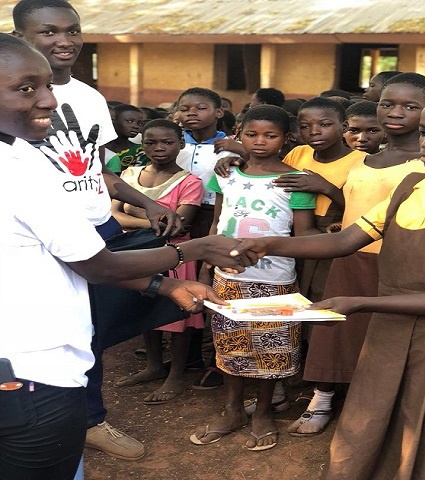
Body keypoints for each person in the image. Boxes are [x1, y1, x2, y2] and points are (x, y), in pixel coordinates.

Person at [0, 32, 256, 480]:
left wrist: (165, 284)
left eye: (46, 86)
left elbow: (46, 257)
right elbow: (95, 263)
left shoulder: (22, 157)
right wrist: (192, 250)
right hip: (32, 371)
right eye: (26, 89)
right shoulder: (19, 171)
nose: (49, 101)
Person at [232, 86, 425, 479]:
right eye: (424, 133)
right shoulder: (413, 186)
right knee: (369, 421)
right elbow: (346, 239)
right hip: (390, 330)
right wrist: (268, 243)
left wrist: (364, 303)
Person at [12, 0, 183, 461]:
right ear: (20, 38)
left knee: (91, 327)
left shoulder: (88, 97)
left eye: (72, 30)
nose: (63, 41)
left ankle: (80, 414)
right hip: (44, 232)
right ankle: (83, 420)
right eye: (48, 33)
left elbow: (94, 167)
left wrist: (147, 203)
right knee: (60, 328)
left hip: (99, 225)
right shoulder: (14, 106)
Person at [287, 72, 425, 437]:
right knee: (335, 330)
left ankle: (375, 409)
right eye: (387, 103)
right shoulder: (363, 159)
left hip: (397, 264)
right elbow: (355, 207)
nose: (394, 112)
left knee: (383, 336)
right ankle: (321, 398)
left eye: (409, 106)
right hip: (349, 255)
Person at [190, 105, 317, 450]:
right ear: (239, 135)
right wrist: (205, 266)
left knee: (271, 350)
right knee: (230, 345)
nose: (260, 142)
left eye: (270, 135)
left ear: (286, 139)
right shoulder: (227, 174)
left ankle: (263, 412)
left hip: (275, 279)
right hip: (227, 277)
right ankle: (232, 410)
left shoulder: (294, 180)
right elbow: (217, 224)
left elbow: (304, 238)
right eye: (252, 134)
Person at [112, 119, 204, 405]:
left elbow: (178, 227)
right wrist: (154, 218)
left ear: (181, 144)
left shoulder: (190, 182)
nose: (159, 148)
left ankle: (175, 375)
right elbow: (111, 216)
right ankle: (153, 365)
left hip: (174, 255)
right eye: (151, 142)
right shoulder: (129, 174)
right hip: (134, 254)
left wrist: (135, 222)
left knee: (178, 315)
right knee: (145, 309)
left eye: (167, 142)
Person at [175, 87, 242, 389]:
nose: (191, 113)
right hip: (180, 220)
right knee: (184, 284)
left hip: (217, 219)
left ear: (218, 112)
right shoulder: (174, 145)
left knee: (215, 283)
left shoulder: (234, 148)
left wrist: (239, 149)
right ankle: (185, 354)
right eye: (185, 108)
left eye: (200, 108)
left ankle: (215, 357)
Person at [272, 97, 367, 303]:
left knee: (321, 295)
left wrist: (326, 188)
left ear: (343, 127)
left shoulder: (361, 161)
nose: (314, 131)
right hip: (295, 231)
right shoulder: (298, 153)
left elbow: (364, 210)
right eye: (305, 126)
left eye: (324, 124)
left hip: (332, 235)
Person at [105, 103, 147, 173]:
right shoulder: (97, 148)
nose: (135, 126)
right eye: (129, 121)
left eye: (139, 123)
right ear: (114, 121)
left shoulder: (139, 151)